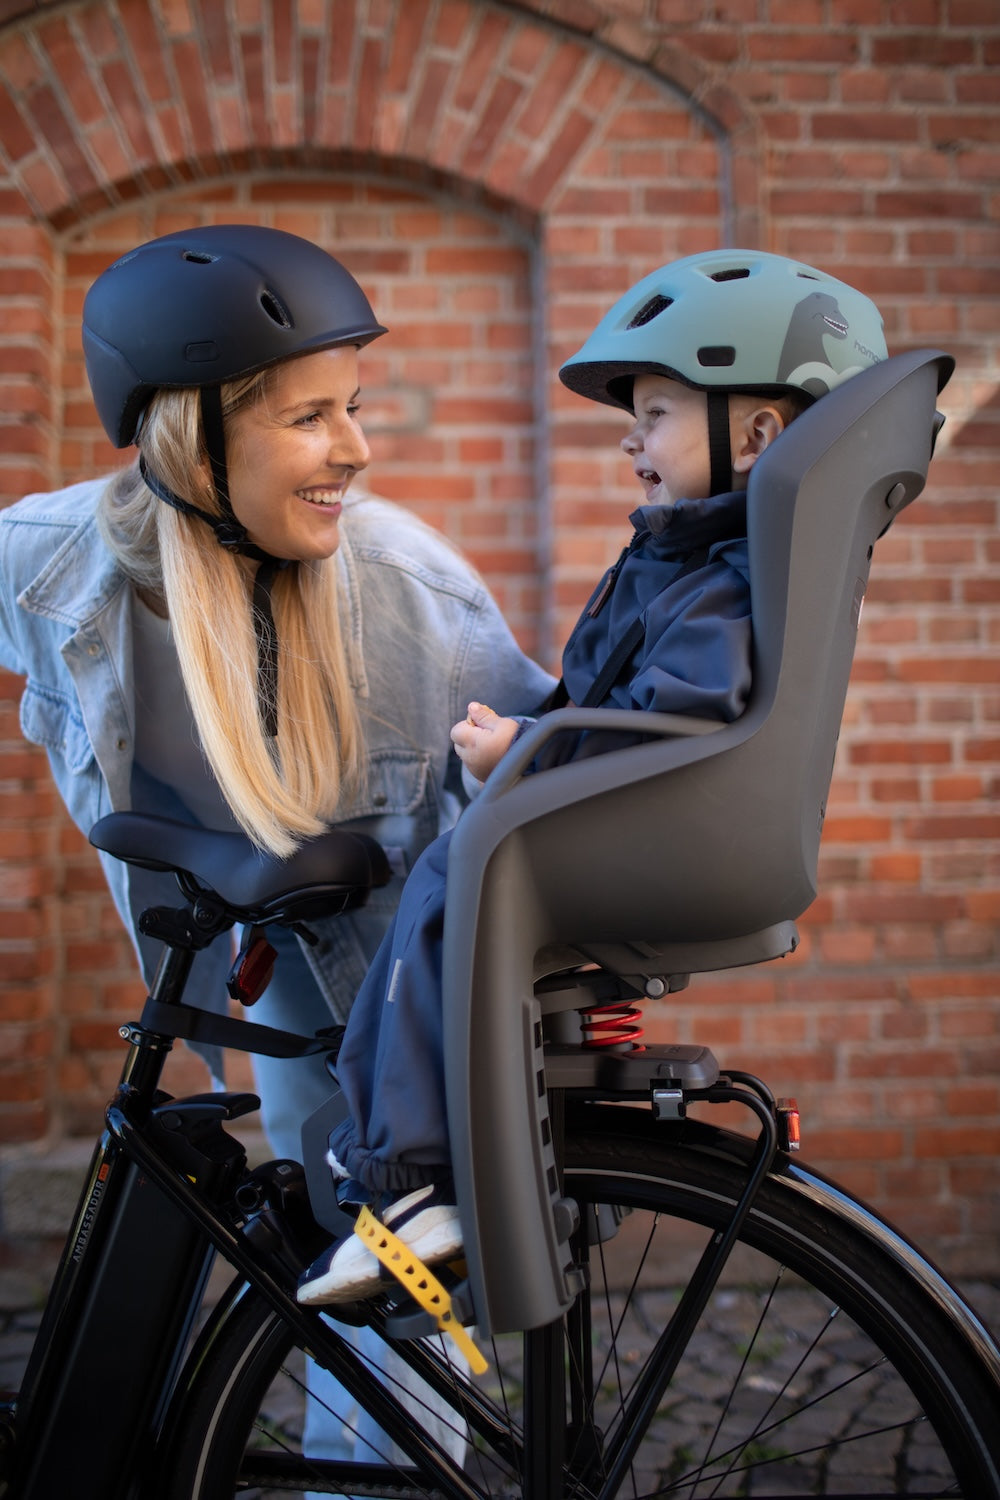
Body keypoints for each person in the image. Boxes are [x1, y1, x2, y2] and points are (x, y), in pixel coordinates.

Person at [0, 224, 554, 1476]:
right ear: (194, 442)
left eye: (352, 407)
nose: (356, 447)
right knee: (308, 1229)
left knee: (380, 1251)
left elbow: (557, 749)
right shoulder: (50, 564)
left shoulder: (411, 593)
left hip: (379, 961)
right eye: (310, 417)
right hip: (228, 930)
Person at [295, 247, 890, 1307]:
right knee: (454, 876)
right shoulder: (697, 559)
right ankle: (422, 1163)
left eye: (655, 412)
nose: (629, 437)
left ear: (757, 434)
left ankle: (412, 1180)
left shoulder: (717, 581)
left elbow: (671, 726)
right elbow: (631, 707)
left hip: (664, 838)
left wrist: (525, 751)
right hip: (662, 831)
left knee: (448, 882)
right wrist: (532, 736)